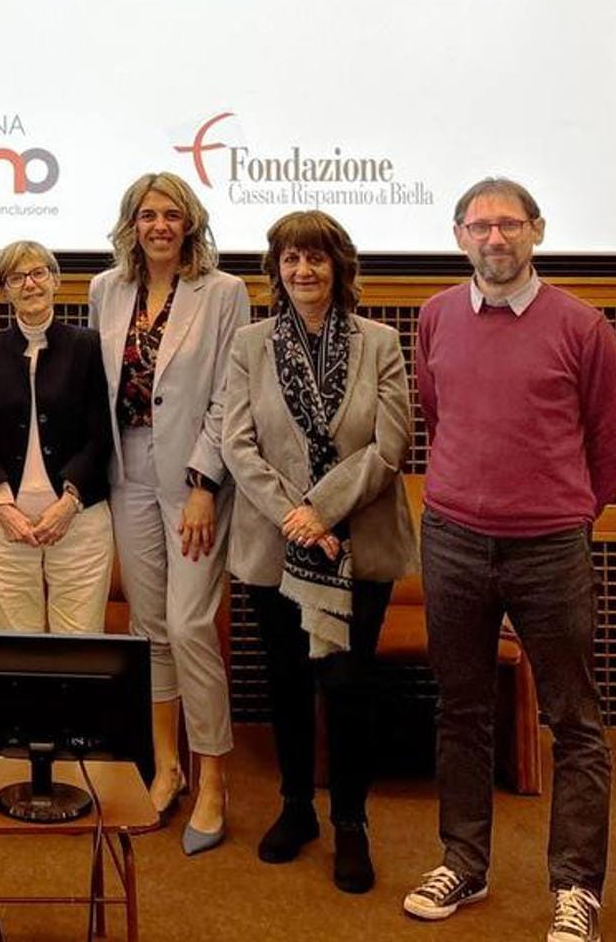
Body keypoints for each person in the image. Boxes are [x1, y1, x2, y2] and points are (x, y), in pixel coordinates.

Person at [400, 178, 616, 942]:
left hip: (550, 547)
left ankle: (576, 889)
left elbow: (611, 446)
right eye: (479, 226)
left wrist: (564, 512)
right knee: (461, 710)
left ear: (537, 230)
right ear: (459, 237)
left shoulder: (583, 326)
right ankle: (464, 863)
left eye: (508, 224)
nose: (494, 238)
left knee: (574, 720)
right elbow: (438, 415)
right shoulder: (435, 317)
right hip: (454, 539)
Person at [221, 211, 416, 894]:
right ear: (276, 270)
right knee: (287, 680)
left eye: (316, 258)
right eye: (290, 259)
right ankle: (297, 808)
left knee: (347, 684)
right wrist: (294, 518)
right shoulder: (249, 344)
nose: (303, 271)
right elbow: (237, 443)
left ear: (339, 267)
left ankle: (352, 823)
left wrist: (322, 511)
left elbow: (390, 445)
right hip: (276, 543)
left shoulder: (380, 342)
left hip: (358, 542)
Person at [89, 171, 249, 856]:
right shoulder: (106, 288)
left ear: (190, 224)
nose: (159, 226)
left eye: (172, 215)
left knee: (189, 626)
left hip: (194, 477)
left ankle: (213, 780)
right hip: (126, 471)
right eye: (148, 215)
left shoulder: (224, 293)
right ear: (132, 224)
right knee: (149, 626)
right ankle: (166, 768)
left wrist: (205, 483)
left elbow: (229, 395)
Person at [0, 240, 113, 634]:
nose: (30, 284)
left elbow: (102, 433)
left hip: (79, 518)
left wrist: (69, 502)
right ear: (3, 290)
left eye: (38, 273)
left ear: (55, 280)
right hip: (4, 523)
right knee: (17, 645)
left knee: (79, 643)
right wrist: (2, 505)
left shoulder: (88, 346)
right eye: (16, 277)